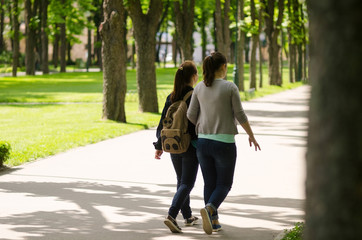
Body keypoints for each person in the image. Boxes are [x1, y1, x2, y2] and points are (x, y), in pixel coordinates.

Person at [187, 52, 261, 235]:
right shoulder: (230, 87)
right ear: (223, 67)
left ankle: (214, 221)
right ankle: (211, 208)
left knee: (209, 183)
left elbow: (190, 114)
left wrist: (201, 124)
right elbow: (240, 115)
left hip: (203, 143)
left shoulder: (198, 88)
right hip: (224, 144)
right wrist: (251, 135)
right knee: (225, 184)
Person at [153, 61, 199, 233]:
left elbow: (162, 122)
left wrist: (159, 145)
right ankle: (172, 215)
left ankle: (187, 216)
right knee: (187, 183)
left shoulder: (171, 96)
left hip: (172, 144)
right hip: (190, 145)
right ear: (194, 76)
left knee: (181, 181)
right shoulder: (194, 95)